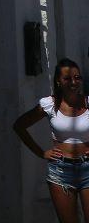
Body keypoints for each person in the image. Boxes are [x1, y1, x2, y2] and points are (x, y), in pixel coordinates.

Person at [15, 58, 89, 223]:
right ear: (58, 81)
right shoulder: (49, 104)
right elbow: (19, 126)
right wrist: (42, 152)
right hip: (60, 171)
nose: (73, 82)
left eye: (77, 77)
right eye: (67, 78)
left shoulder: (87, 103)